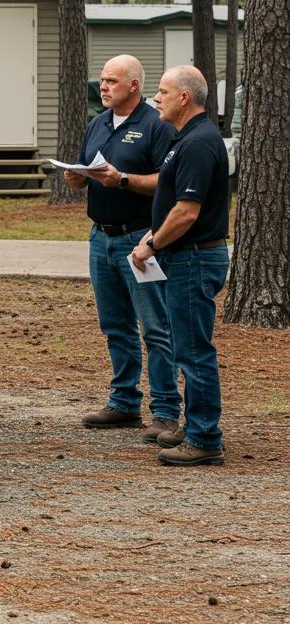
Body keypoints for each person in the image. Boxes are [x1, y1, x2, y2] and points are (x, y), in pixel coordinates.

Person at [64, 55, 180, 442]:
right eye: (101, 80)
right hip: (101, 237)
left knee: (155, 327)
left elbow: (168, 180)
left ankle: (164, 411)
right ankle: (124, 401)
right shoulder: (97, 123)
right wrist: (76, 177)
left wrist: (125, 180)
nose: (104, 87)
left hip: (140, 238)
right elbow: (84, 169)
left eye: (112, 81)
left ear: (134, 85)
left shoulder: (154, 126)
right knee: (115, 325)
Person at [131, 66, 230, 467]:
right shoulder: (184, 138)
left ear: (185, 98)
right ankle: (194, 427)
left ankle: (205, 437)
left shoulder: (198, 143)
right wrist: (153, 234)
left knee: (192, 351)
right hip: (185, 255)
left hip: (193, 257)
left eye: (163, 91)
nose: (157, 98)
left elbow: (187, 212)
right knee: (187, 347)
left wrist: (152, 243)